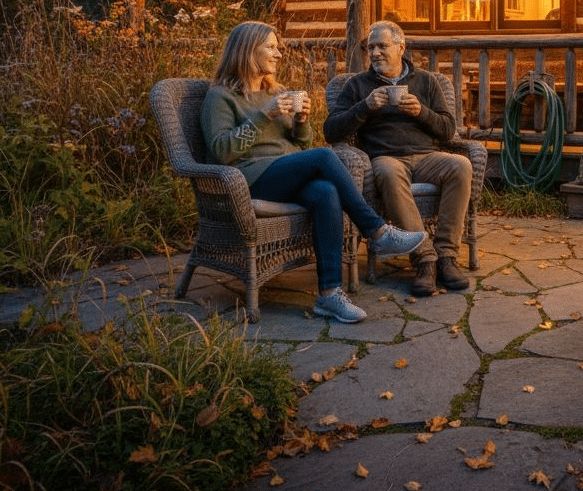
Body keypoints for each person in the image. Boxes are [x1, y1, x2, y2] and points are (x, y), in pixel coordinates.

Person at [201, 21, 426, 323]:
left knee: (326, 192)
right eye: (271, 46)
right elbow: (221, 150)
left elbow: (300, 143)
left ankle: (329, 295)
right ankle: (377, 231)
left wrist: (301, 122)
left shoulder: (276, 91)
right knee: (323, 155)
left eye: (277, 47)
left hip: (284, 174)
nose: (278, 53)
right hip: (248, 180)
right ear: (247, 50)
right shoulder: (221, 97)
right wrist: (264, 115)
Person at [323, 20, 472, 297]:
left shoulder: (426, 81)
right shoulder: (358, 85)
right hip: (385, 158)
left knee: (461, 165)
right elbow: (331, 131)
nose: (375, 52)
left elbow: (448, 129)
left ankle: (447, 257)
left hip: (427, 156)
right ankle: (425, 260)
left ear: (401, 47)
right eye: (371, 47)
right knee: (389, 173)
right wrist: (364, 107)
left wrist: (421, 112)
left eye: (382, 46)